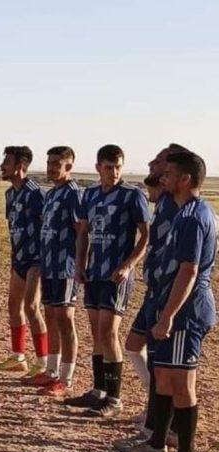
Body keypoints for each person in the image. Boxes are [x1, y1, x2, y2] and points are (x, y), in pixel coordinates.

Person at [124, 150, 215, 452]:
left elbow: (188, 271)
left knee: (181, 382)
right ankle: (156, 442)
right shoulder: (180, 212)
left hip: (185, 313)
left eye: (169, 173)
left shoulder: (193, 216)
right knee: (162, 377)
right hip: (168, 306)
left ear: (185, 179)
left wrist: (168, 316)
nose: (163, 178)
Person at [112, 144, 188, 450]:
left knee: (168, 366)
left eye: (158, 162)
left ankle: (167, 424)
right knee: (134, 345)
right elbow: (152, 191)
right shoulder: (164, 196)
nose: (151, 164)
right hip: (154, 290)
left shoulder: (181, 203)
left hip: (168, 294)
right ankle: (156, 410)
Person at [64, 145, 149, 417]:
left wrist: (128, 265)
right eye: (108, 167)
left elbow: (145, 236)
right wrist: (80, 264)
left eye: (118, 167)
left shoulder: (133, 195)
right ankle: (98, 391)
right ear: (98, 167)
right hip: (94, 273)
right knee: (96, 333)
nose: (113, 172)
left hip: (116, 275)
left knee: (109, 332)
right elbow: (83, 234)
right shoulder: (89, 194)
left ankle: (114, 397)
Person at [29, 146, 83, 397]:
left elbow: (82, 231)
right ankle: (51, 371)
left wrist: (79, 265)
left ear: (69, 167)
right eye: (49, 162)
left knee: (65, 320)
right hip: (49, 265)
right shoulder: (51, 194)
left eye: (56, 164)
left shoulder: (74, 195)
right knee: (50, 316)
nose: (51, 168)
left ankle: (67, 377)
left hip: (66, 267)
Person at [0, 146, 48, 376]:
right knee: (13, 306)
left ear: (21, 167)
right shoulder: (9, 194)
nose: (2, 166)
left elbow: (47, 225)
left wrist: (43, 259)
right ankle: (18, 357)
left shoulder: (36, 193)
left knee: (32, 307)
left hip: (37, 259)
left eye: (7, 162)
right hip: (19, 258)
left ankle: (43, 361)